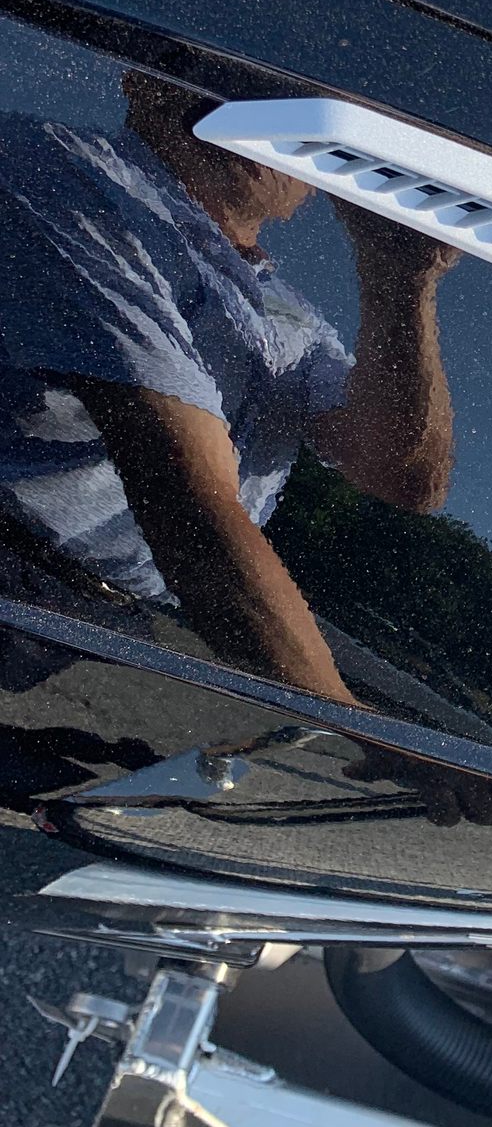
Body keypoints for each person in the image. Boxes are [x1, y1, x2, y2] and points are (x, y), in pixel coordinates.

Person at [0, 71, 457, 707]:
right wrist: (351, 726)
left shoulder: (289, 315)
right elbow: (187, 503)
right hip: (20, 580)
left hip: (116, 621)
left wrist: (401, 280)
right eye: (240, 74)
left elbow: (403, 477)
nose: (276, 113)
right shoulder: (66, 172)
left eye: (309, 112)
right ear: (144, 82)